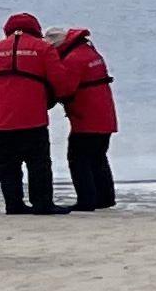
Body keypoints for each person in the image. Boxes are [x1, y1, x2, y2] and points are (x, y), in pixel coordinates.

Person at [0, 10, 66, 217]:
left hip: (1, 121)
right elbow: (59, 80)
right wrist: (51, 99)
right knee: (38, 163)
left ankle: (13, 204)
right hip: (33, 118)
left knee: (7, 165)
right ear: (35, 29)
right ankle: (42, 203)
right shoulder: (43, 48)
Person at [49, 26, 120, 211]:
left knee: (78, 158)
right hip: (104, 115)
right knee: (98, 157)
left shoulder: (73, 59)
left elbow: (66, 88)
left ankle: (86, 200)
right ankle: (105, 198)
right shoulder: (89, 52)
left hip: (86, 118)